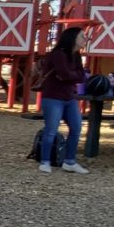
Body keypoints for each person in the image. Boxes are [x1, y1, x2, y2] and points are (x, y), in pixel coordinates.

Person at [36, 26, 91, 174]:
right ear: (72, 38)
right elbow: (65, 74)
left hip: (70, 97)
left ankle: (70, 161)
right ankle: (45, 161)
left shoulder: (77, 55)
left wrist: (72, 75)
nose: (85, 39)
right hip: (53, 97)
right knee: (51, 130)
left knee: (76, 128)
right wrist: (73, 75)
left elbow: (80, 76)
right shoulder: (58, 55)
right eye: (82, 36)